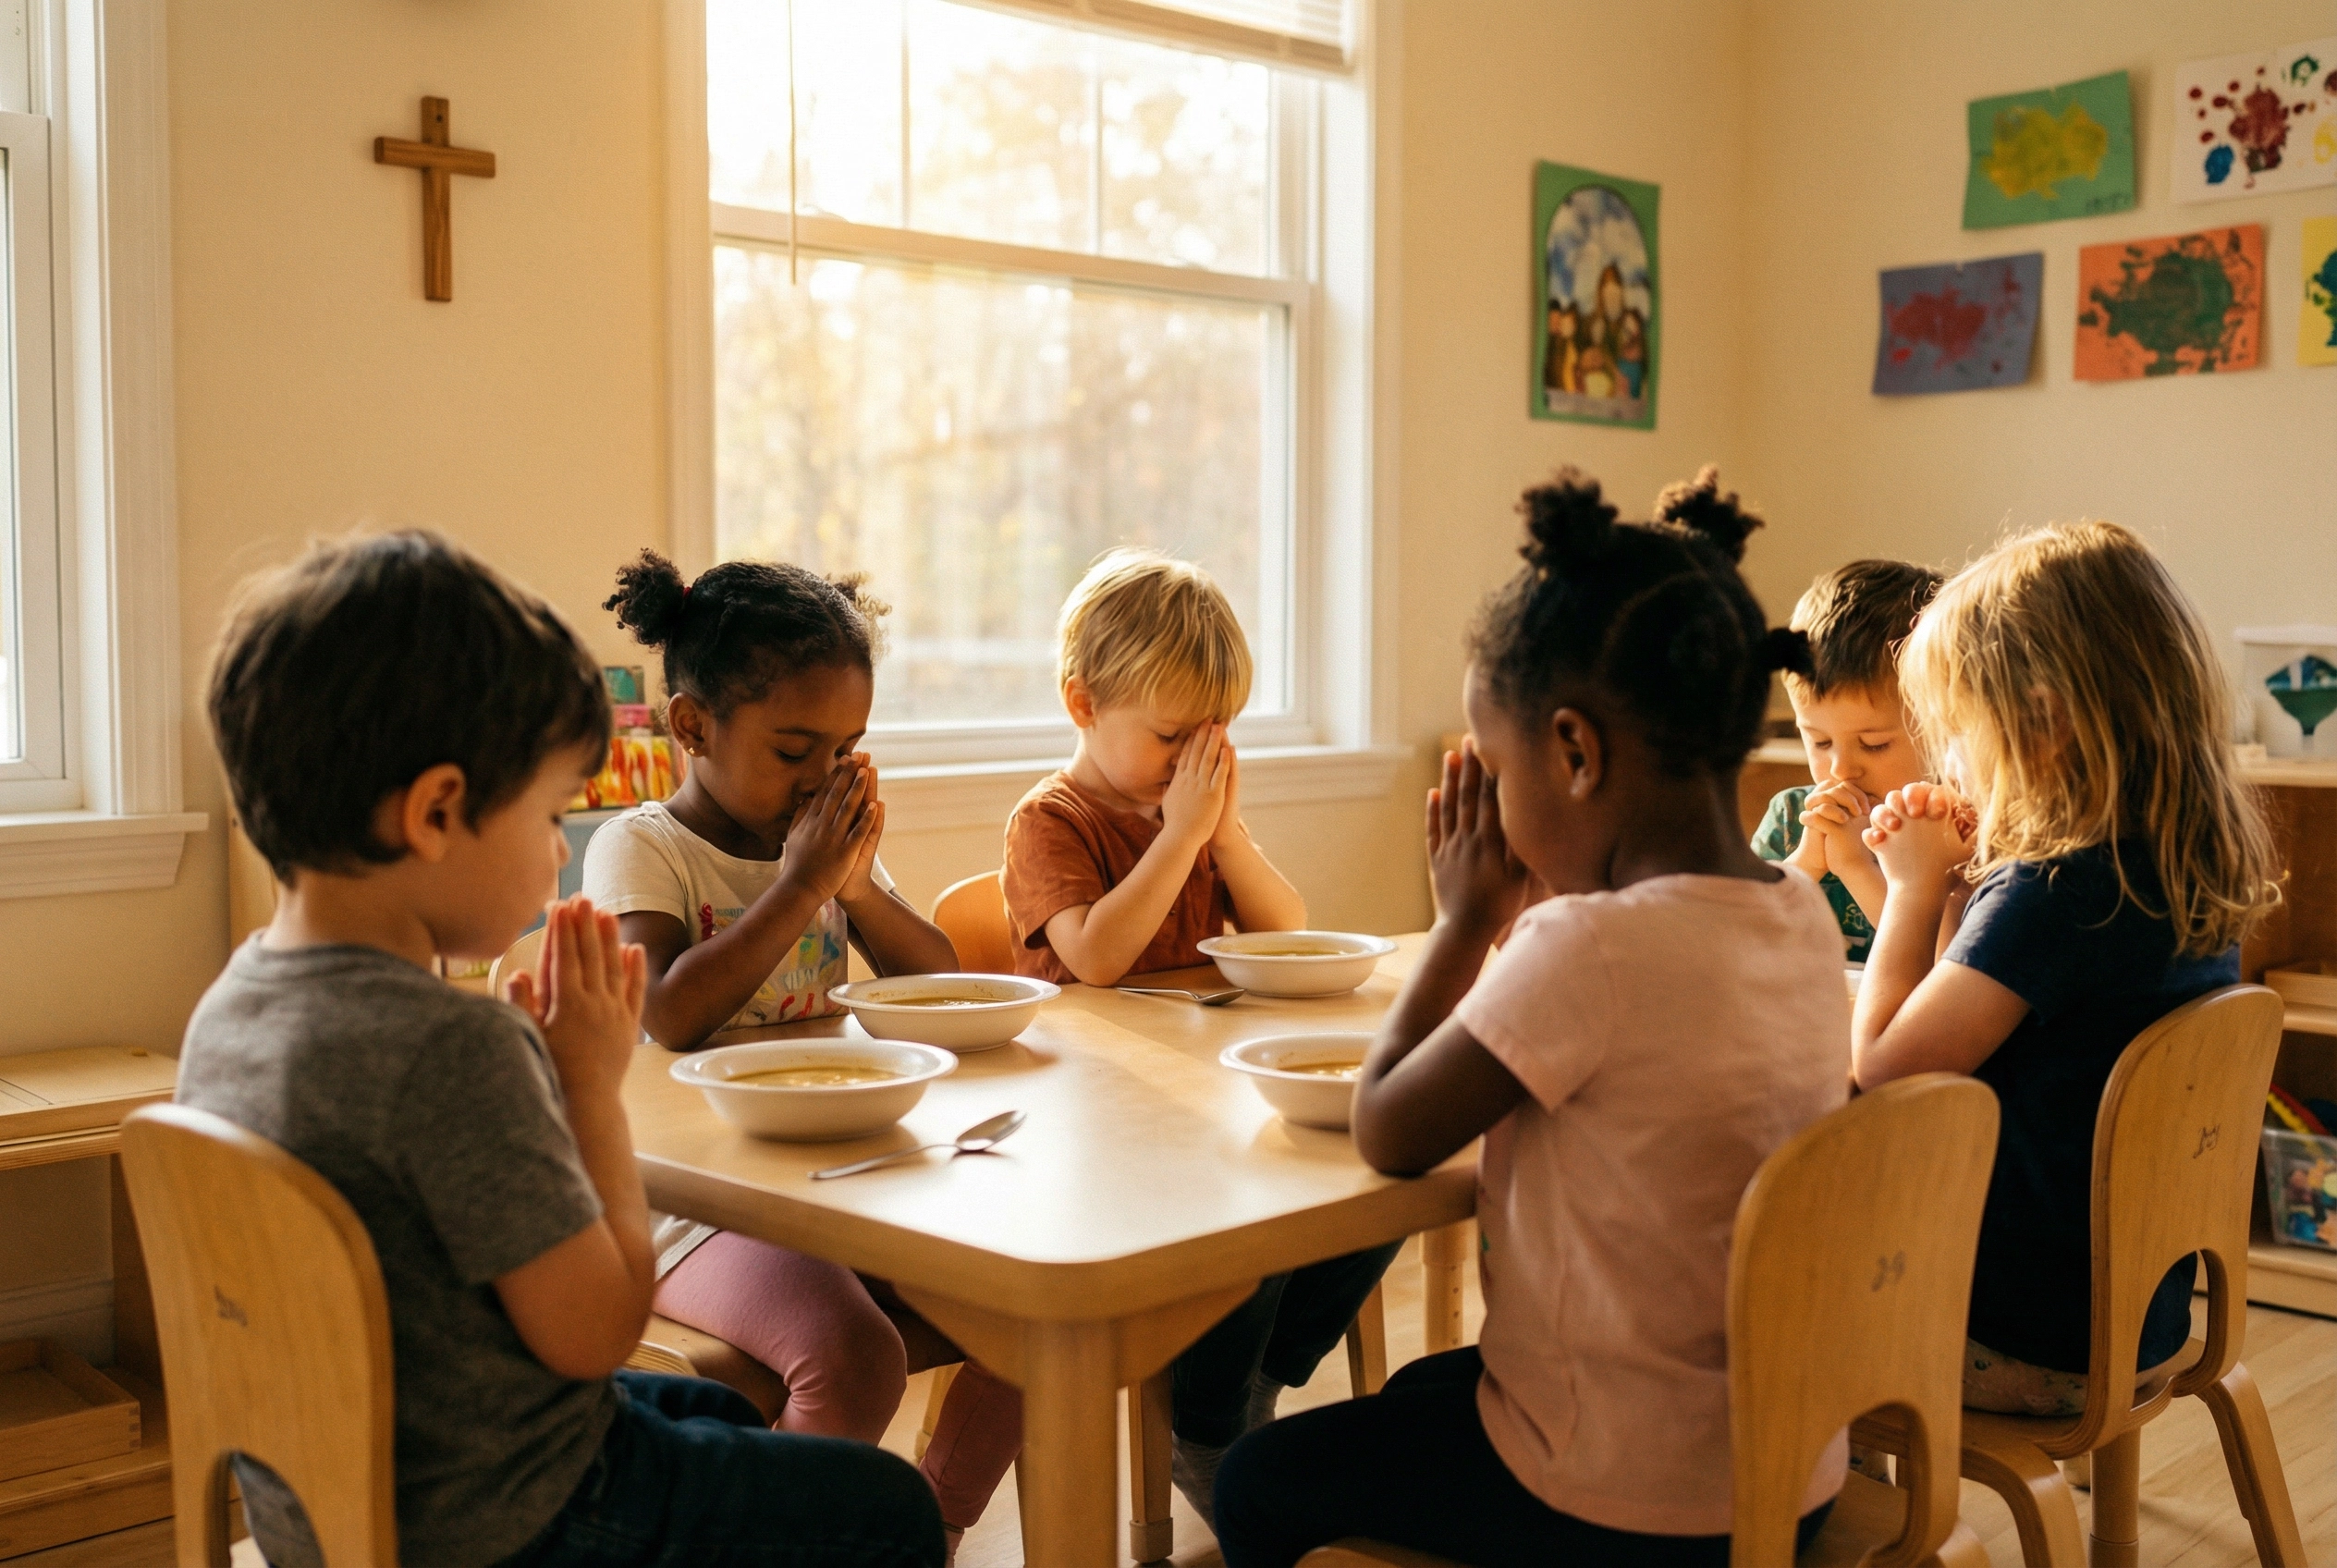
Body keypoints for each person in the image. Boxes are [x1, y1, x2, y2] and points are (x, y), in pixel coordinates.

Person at [182, 532, 943, 1568]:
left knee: (700, 1405)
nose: (557, 853)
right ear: (437, 810)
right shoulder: (451, 1051)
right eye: (547, 815)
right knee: (885, 1508)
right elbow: (592, 1333)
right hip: (507, 1516)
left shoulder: (229, 1010)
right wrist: (586, 1086)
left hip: (343, 1483)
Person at [1213, 467, 1847, 1567]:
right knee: (1424, 1387)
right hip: (1786, 1470)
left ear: (1573, 752)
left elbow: (1389, 1128)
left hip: (1624, 1502)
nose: (1493, 806)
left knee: (1253, 1479)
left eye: (1496, 770)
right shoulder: (1795, 915)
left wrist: (1461, 922)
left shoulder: (1586, 948)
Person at [586, 551, 1018, 1560]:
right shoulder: (642, 847)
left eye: (846, 749)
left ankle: (929, 1525)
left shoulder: (819, 845)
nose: (822, 776)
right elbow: (669, 1015)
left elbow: (934, 979)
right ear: (693, 727)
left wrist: (855, 887)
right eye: (793, 749)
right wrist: (796, 888)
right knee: (852, 1357)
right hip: (695, 1205)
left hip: (839, 1175)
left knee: (1033, 1294)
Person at [1000, 547, 1393, 1522]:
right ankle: (1208, 1429)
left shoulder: (1191, 812)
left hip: (1196, 1098)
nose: (1188, 763)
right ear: (1081, 703)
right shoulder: (1050, 820)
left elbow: (1285, 928)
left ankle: (1248, 1384)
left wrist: (1219, 832)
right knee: (1253, 1218)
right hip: (1091, 1123)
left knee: (1379, 1181)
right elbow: (1094, 956)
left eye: (1208, 739)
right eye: (1169, 735)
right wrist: (1178, 835)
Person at [1853, 520, 2279, 1416]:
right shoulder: (2174, 866)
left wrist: (1909, 885)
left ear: (2040, 725)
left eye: (1960, 731)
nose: (1951, 758)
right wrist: (1952, 898)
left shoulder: (2053, 894)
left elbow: (1885, 1070)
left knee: (1757, 1278)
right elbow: (1974, 1035)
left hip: (2018, 1337)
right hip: (2134, 1321)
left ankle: (1838, 1515)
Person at [1750, 559, 1942, 962]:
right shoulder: (1790, 820)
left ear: (1945, 727)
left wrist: (1855, 867)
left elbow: (1940, 969)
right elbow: (1742, 945)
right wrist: (1806, 864)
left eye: (1874, 745)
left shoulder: (1951, 833)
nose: (1841, 770)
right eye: (1819, 742)